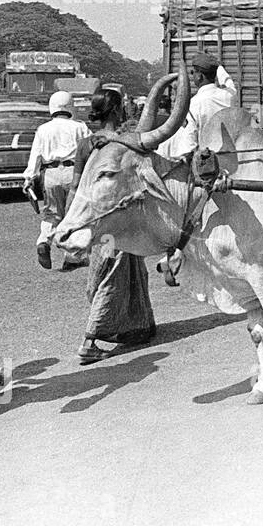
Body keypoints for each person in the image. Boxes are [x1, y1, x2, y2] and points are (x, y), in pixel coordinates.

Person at [70, 88, 158, 364]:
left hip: (95, 220)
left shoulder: (86, 144)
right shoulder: (122, 144)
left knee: (114, 270)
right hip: (118, 220)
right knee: (115, 272)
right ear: (119, 110)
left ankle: (134, 326)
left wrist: (71, 223)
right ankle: (90, 339)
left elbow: (75, 187)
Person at [24, 90, 90, 269]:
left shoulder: (43, 129)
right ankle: (72, 257)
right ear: (70, 107)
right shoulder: (80, 127)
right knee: (75, 215)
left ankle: (43, 242)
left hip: (50, 174)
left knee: (52, 214)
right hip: (74, 173)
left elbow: (35, 156)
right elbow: (90, 151)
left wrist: (29, 178)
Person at [161, 52, 236, 159]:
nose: (193, 76)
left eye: (193, 72)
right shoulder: (230, 96)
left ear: (199, 76)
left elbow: (189, 143)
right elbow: (228, 81)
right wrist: (217, 67)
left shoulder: (194, 104)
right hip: (231, 159)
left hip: (208, 164)